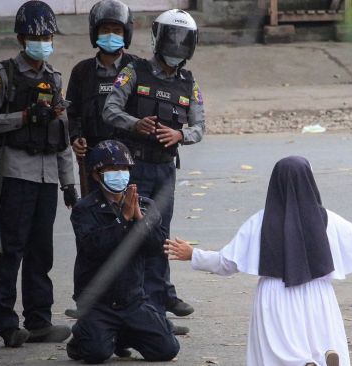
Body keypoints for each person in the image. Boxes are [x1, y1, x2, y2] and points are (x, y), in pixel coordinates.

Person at [164, 156, 352, 366]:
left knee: (276, 347)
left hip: (274, 294)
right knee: (320, 336)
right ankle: (319, 357)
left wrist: (193, 255)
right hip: (318, 293)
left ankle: (299, 362)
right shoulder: (326, 219)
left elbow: (227, 262)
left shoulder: (259, 222)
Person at [0, 0, 76, 347]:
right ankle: (5, 322)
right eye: (36, 35)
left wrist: (69, 183)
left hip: (47, 177)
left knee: (41, 253)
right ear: (21, 37)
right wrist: (23, 117)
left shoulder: (54, 79)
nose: (43, 42)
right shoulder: (0, 74)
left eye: (48, 35)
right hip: (16, 172)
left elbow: (61, 136)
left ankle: (39, 320)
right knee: (10, 251)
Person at [102, 8, 204, 326]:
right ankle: (127, 310)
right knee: (130, 237)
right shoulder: (133, 71)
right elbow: (110, 109)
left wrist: (180, 135)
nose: (176, 46)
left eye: (182, 40)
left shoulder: (189, 83)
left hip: (164, 171)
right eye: (171, 38)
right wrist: (136, 125)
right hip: (135, 169)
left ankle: (157, 314)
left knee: (160, 238)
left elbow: (199, 127)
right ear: (158, 38)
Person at [66, 140, 179, 363]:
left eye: (124, 169)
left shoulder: (144, 204)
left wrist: (139, 220)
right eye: (112, 170)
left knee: (166, 350)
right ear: (97, 174)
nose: (119, 174)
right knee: (95, 354)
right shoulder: (84, 209)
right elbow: (94, 247)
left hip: (132, 300)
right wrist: (123, 221)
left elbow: (158, 247)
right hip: (98, 302)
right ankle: (82, 336)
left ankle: (122, 335)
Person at [66, 0, 138, 194]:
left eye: (117, 30)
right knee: (94, 215)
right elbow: (72, 114)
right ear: (95, 33)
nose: (111, 35)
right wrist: (76, 139)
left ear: (126, 34)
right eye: (105, 30)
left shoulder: (139, 68)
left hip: (129, 159)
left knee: (131, 216)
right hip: (93, 159)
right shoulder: (81, 71)